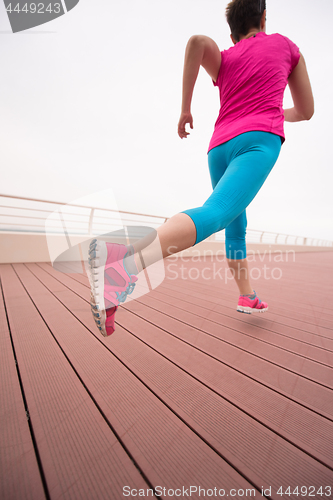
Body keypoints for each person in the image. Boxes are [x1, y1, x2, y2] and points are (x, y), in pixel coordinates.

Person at [88, 0, 314, 337]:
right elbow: (307, 110)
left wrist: (185, 109)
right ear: (263, 17)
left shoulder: (227, 57)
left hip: (219, 147)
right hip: (257, 142)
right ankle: (123, 264)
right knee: (218, 212)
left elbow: (196, 42)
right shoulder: (285, 46)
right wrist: (274, 113)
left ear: (232, 29)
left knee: (235, 223)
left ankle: (247, 295)